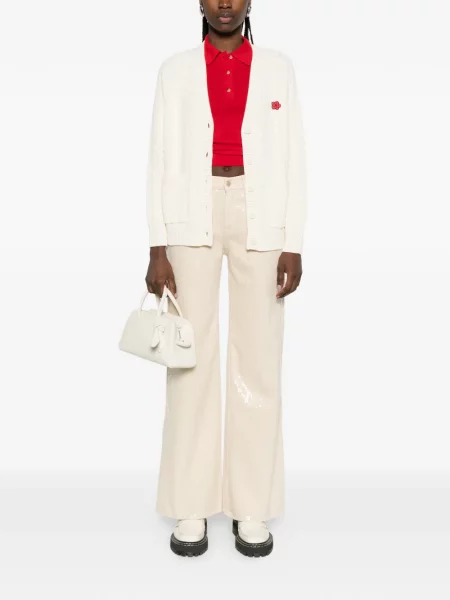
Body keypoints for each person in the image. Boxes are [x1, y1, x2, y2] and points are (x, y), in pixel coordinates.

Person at [145, 0, 307, 558]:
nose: (224, 4)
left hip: (261, 217)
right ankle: (191, 504)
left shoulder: (278, 68)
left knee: (258, 361)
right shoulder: (174, 71)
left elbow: (295, 158)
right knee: (190, 358)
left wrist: (293, 242)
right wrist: (157, 244)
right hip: (191, 215)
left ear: (248, 2)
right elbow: (158, 158)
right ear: (200, 2)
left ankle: (250, 505)